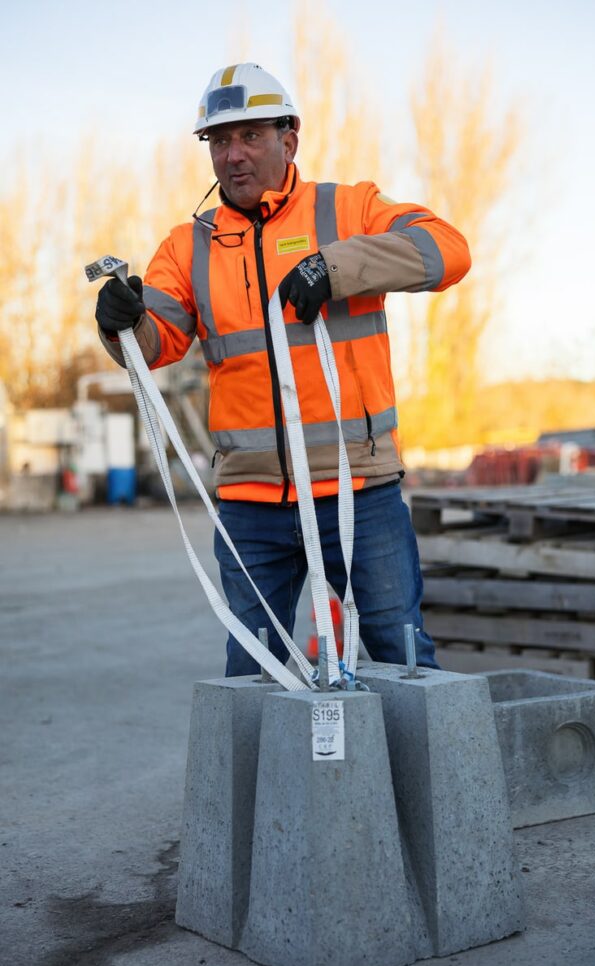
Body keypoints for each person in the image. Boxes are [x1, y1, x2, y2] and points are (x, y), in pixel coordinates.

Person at [95, 62, 471, 677]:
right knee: (252, 674)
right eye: (219, 141)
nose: (233, 155)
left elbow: (448, 250)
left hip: (359, 491)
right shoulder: (187, 247)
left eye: (251, 136)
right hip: (250, 505)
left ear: (289, 139)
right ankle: (269, 780)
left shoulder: (348, 209)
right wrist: (120, 323)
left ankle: (412, 778)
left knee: (404, 664)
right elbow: (157, 341)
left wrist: (337, 267)